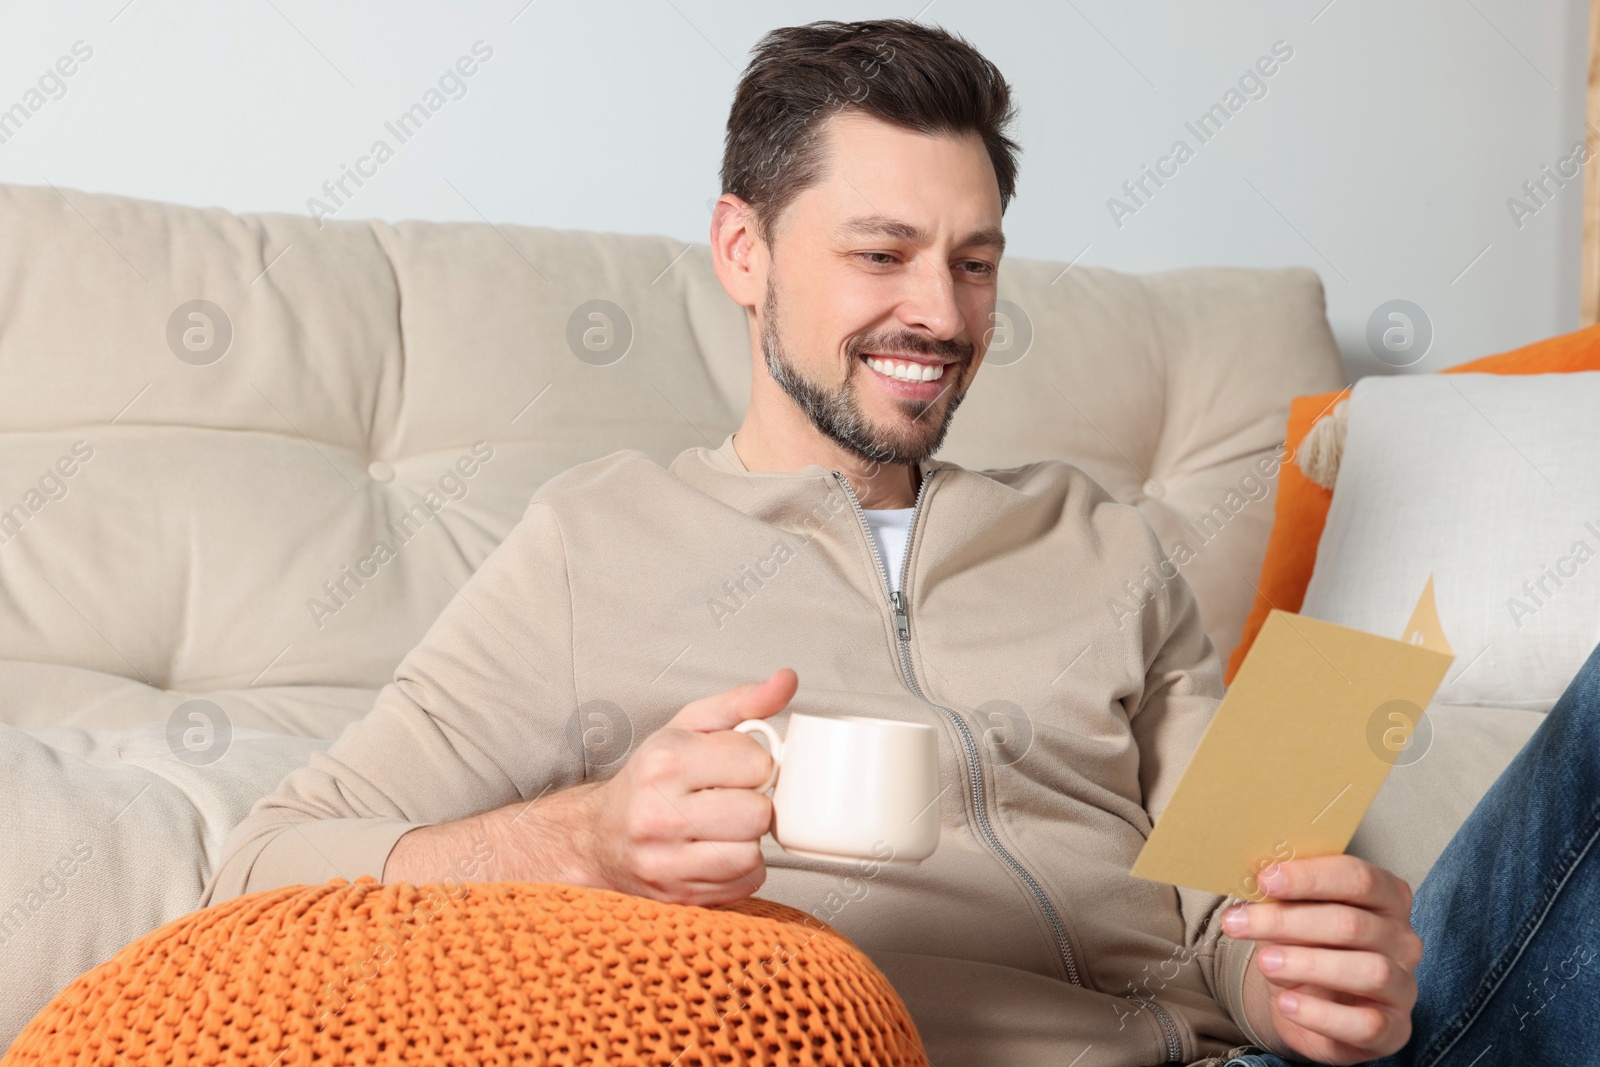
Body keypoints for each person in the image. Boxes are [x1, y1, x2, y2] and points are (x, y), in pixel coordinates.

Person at [204, 19, 1598, 1067]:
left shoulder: (1099, 542)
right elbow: (265, 864)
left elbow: (1218, 915)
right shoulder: (593, 544)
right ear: (743, 253)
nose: (939, 309)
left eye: (975, 259)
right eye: (881, 254)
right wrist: (587, 838)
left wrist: (1301, 984)